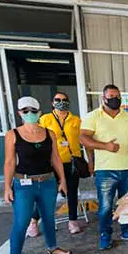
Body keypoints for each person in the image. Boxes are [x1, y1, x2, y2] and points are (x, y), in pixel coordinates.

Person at [4, 97, 71, 254]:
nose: (30, 114)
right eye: (25, 111)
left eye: (33, 111)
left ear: (39, 112)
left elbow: (55, 158)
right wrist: (7, 187)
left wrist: (62, 180)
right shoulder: (13, 135)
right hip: (23, 183)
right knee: (22, 220)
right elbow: (10, 162)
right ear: (19, 113)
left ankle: (52, 247)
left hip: (47, 181)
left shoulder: (49, 134)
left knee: (48, 217)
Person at [80, 84, 128, 250]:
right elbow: (83, 139)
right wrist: (105, 146)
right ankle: (105, 235)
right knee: (105, 207)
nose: (115, 99)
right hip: (105, 170)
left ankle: (126, 231)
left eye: (117, 96)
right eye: (111, 97)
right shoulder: (93, 116)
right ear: (104, 98)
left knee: (127, 204)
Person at [26, 92, 84, 237]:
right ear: (52, 103)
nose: (61, 102)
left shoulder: (76, 120)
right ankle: (34, 221)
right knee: (46, 193)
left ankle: (72, 221)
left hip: (71, 162)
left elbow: (83, 140)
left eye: (64, 100)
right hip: (51, 163)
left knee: (72, 192)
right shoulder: (45, 119)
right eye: (58, 100)